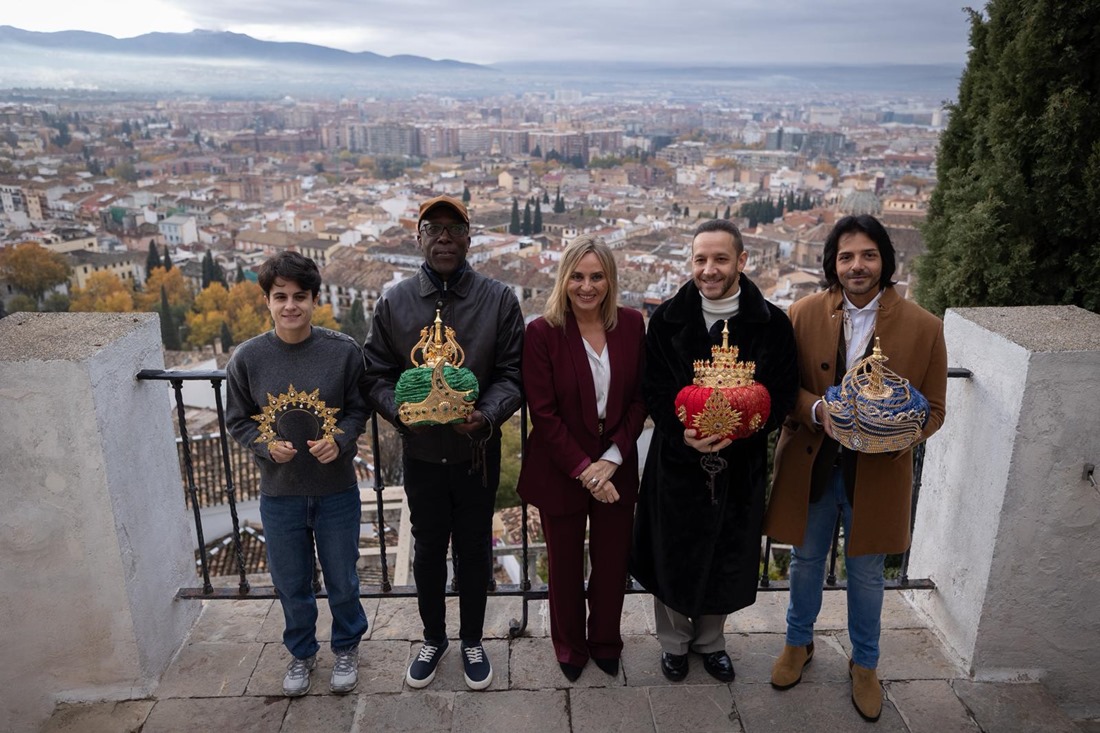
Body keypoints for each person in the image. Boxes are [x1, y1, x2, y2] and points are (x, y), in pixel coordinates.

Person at [765, 214, 947, 722]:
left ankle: (865, 663)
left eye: (868, 255)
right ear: (833, 264)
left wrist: (889, 432)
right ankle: (797, 644)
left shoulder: (925, 327)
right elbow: (783, 391)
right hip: (815, 464)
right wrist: (816, 411)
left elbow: (933, 411)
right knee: (804, 559)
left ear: (885, 260)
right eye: (846, 256)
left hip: (878, 472)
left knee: (866, 573)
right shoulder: (800, 314)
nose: (857, 265)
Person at [361, 194, 524, 691]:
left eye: (454, 228)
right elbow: (375, 375)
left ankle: (472, 639)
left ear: (469, 237)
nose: (445, 237)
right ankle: (434, 638)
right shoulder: (394, 300)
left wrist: (487, 415)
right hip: (423, 453)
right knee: (429, 551)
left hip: (477, 451)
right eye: (434, 228)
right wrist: (404, 413)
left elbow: (513, 375)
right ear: (419, 238)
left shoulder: (499, 300)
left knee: (475, 549)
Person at [631, 219, 799, 683]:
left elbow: (783, 391)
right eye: (700, 259)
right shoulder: (666, 319)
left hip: (739, 464)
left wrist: (748, 427)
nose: (709, 269)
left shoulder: (773, 323)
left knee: (726, 553)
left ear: (742, 261)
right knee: (672, 553)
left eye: (720, 259)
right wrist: (679, 431)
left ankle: (711, 641)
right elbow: (655, 388)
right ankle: (673, 644)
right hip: (676, 462)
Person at [225, 251, 370, 697]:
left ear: (314, 300)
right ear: (266, 301)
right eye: (280, 296)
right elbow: (237, 420)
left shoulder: (343, 351)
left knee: (343, 578)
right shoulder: (247, 359)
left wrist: (341, 440)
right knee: (291, 583)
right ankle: (301, 655)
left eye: (300, 297)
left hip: (336, 491)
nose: (291, 305)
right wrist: (264, 447)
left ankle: (346, 647)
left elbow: (359, 409)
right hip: (280, 493)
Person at [517, 234, 647, 682]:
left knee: (612, 563)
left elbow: (640, 400)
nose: (586, 286)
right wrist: (586, 470)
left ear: (610, 281)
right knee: (565, 566)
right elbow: (544, 413)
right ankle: (570, 646)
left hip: (616, 466)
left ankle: (606, 641)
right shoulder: (542, 332)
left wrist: (610, 459)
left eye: (596, 276)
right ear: (563, 279)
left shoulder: (632, 325)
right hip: (562, 468)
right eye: (577, 276)